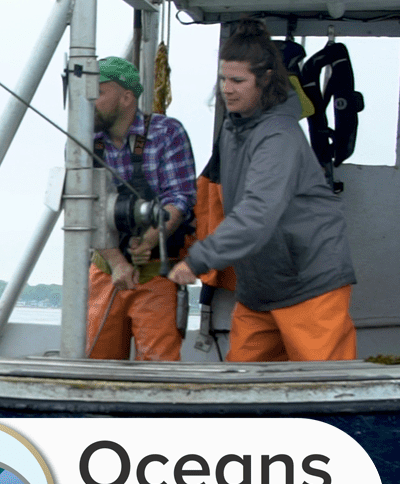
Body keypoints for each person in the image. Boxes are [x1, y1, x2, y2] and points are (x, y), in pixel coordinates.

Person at [167, 19, 357, 362]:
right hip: (258, 288)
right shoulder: (231, 128)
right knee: (240, 392)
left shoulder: (278, 136)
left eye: (238, 80)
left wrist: (198, 260)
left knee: (327, 391)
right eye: (223, 79)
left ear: (266, 78)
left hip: (309, 283)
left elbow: (257, 213)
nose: (227, 88)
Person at [88, 56, 197, 360]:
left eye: (98, 92)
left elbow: (180, 198)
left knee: (159, 370)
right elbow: (82, 209)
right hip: (105, 270)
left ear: (126, 97)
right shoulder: (83, 139)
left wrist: (148, 241)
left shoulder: (167, 133)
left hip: (157, 273)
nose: (89, 100)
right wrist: (117, 261)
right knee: (93, 366)